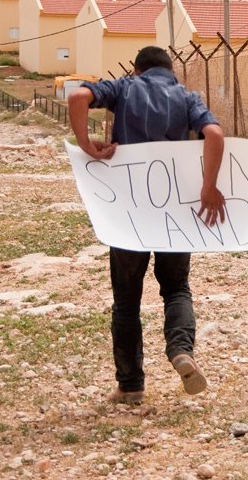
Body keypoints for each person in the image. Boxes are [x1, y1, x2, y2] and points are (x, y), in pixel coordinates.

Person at [68, 46, 226, 405]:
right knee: (176, 288)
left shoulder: (125, 88)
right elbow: (214, 135)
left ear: (137, 71)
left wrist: (85, 146)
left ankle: (131, 386)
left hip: (127, 214)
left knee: (127, 302)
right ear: (172, 72)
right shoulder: (187, 97)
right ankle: (181, 351)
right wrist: (208, 186)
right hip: (173, 216)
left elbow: (78, 96)